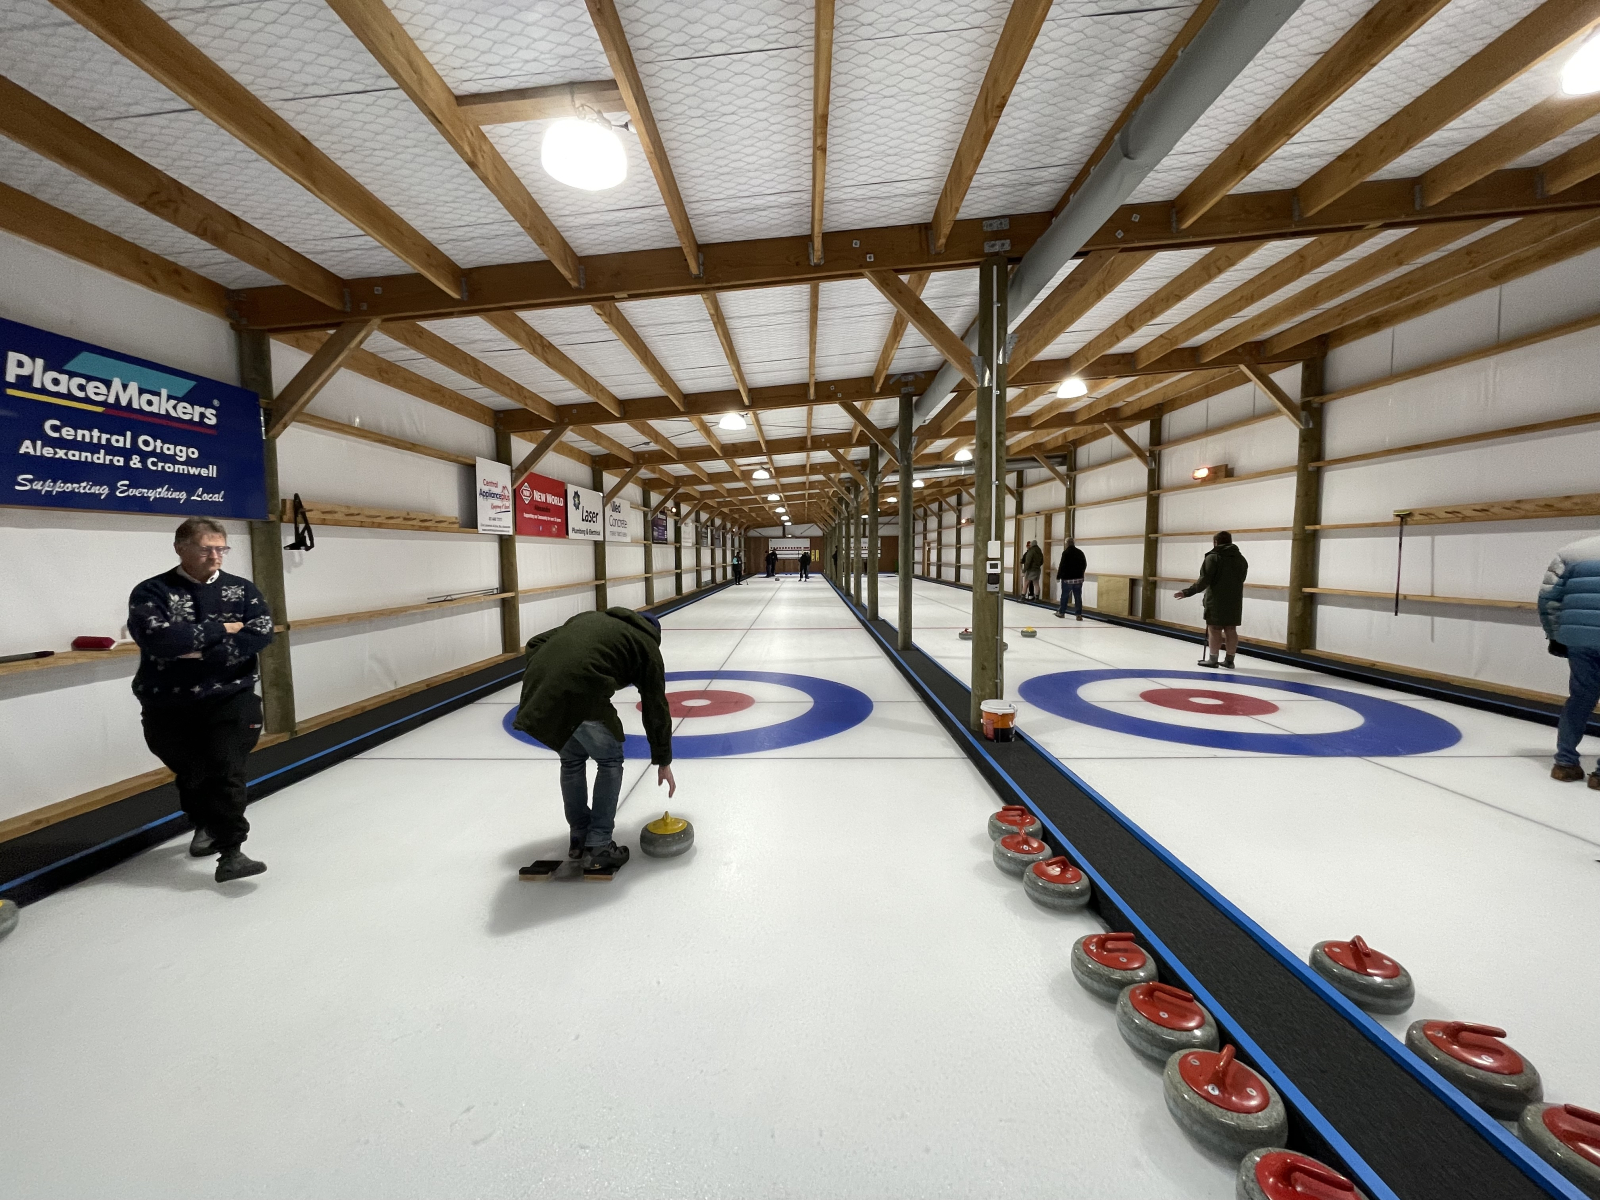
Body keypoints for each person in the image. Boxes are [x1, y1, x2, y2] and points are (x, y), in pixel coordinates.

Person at [127, 517, 276, 882]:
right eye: (206, 549)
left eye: (221, 549)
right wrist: (222, 628)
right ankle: (205, 824)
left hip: (230, 696)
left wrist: (198, 650)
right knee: (193, 774)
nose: (215, 556)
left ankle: (231, 852)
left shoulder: (242, 591)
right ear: (181, 548)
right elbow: (160, 640)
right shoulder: (152, 592)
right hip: (168, 703)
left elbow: (260, 633)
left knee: (226, 768)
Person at [513, 607, 676, 872]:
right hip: (582, 690)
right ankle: (599, 845)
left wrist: (549, 675)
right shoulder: (647, 645)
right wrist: (663, 759)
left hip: (541, 690)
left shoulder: (591, 618)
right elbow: (655, 706)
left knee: (572, 760)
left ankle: (579, 836)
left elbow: (535, 642)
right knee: (610, 760)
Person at [1538, 533, 1600, 785]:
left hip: (1579, 640)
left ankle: (1564, 763)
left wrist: (1554, 635)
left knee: (1580, 699)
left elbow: (1547, 598)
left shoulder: (1571, 552)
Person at [1174, 532, 1248, 669]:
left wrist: (1187, 592)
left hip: (1216, 599)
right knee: (1231, 629)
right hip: (1235, 600)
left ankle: (1213, 659)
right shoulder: (1241, 559)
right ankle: (1230, 660)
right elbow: (1242, 578)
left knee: (1214, 628)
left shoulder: (1213, 557)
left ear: (1215, 542)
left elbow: (1204, 580)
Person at [1055, 538, 1086, 620]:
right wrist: (1081, 573)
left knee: (1065, 596)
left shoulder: (1066, 553)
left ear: (1067, 544)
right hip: (1078, 579)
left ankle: (1061, 612)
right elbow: (1084, 564)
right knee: (1078, 597)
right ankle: (1078, 614)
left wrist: (1058, 576)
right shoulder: (1080, 552)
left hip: (1067, 579)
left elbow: (1062, 565)